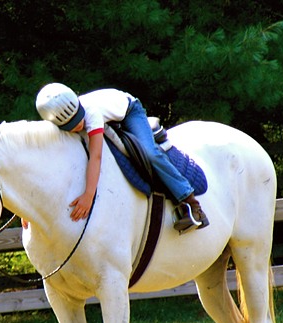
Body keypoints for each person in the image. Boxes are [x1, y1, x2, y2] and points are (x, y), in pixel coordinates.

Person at [35, 83, 209, 233]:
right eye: (72, 127)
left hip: (129, 111)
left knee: (150, 153)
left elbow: (96, 156)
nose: (79, 125)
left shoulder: (91, 114)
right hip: (110, 113)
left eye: (79, 120)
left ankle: (191, 202)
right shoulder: (56, 127)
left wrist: (89, 195)